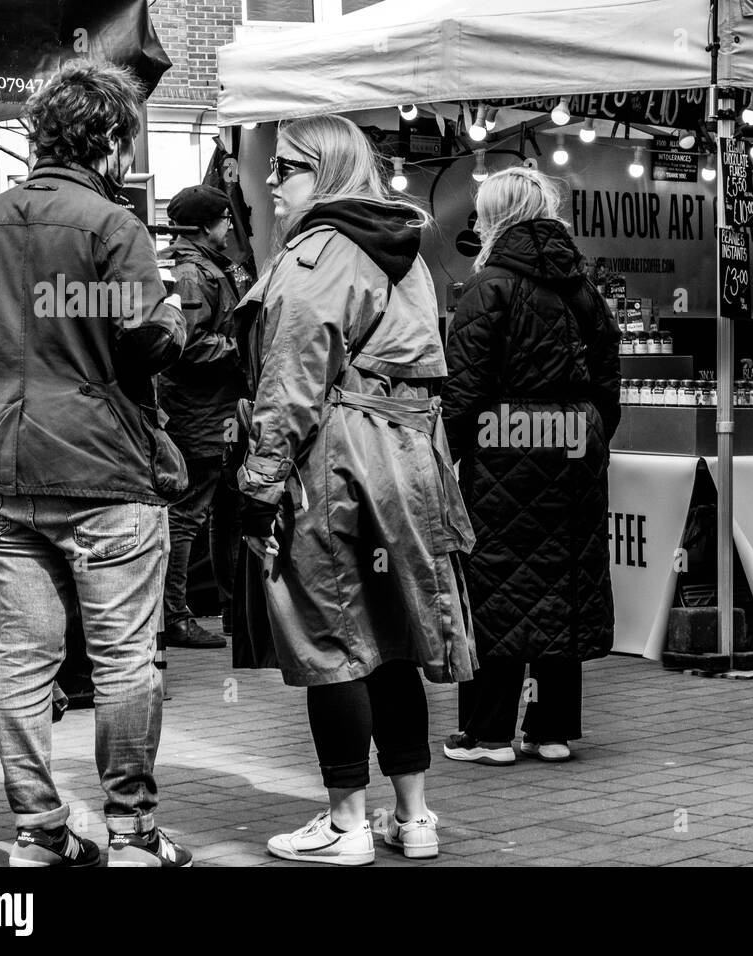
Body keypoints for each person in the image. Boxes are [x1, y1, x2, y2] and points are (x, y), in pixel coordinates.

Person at [0, 59, 193, 866]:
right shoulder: (113, 229)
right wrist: (176, 319)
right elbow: (146, 340)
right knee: (124, 659)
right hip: (101, 469)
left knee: (23, 656)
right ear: (113, 138)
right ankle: (131, 831)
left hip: (0, 470)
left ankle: (39, 832)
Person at [233, 114, 476, 865]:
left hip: (337, 456)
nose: (272, 182)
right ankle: (415, 815)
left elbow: (292, 379)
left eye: (289, 167)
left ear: (329, 172)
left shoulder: (320, 254)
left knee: (330, 636)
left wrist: (259, 483)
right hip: (407, 455)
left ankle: (345, 823)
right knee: (393, 636)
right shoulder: (404, 251)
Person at [441, 166, 620, 766]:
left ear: (492, 217)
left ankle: (488, 733)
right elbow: (607, 383)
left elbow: (463, 388)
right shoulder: (582, 286)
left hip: (504, 446)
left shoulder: (488, 286)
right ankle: (552, 731)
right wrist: (588, 437)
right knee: (563, 579)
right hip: (575, 446)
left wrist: (448, 454)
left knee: (496, 585)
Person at [158, 185, 245, 650]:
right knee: (188, 513)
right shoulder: (192, 273)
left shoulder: (207, 266)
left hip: (219, 410)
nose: (230, 226)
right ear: (207, 224)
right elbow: (187, 344)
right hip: (199, 413)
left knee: (227, 511)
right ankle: (174, 616)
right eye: (226, 218)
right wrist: (243, 349)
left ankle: (234, 611)